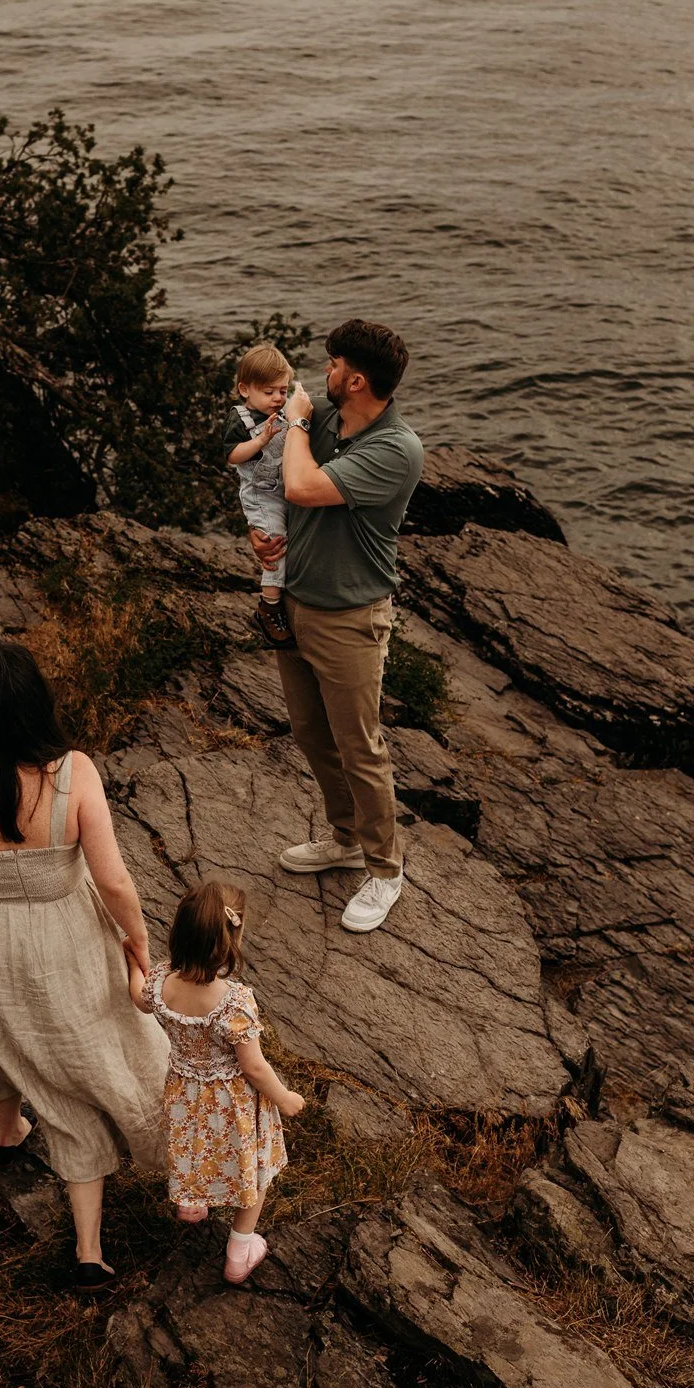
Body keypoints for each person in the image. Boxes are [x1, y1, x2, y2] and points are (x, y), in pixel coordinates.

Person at [0, 640, 169, 1290]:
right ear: (37, 708)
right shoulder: (72, 771)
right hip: (65, 937)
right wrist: (138, 945)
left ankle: (7, 1126)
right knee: (78, 1062)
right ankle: (87, 1248)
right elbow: (113, 882)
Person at [252, 319, 424, 935]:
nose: (320, 373)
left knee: (361, 746)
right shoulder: (325, 421)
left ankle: (385, 869)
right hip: (297, 601)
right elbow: (270, 479)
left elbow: (301, 485)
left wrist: (295, 422)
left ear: (354, 379)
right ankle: (346, 837)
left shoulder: (396, 447)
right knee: (310, 732)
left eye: (331, 365)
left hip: (350, 617)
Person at [128, 880, 304, 1284]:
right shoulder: (234, 1002)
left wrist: (131, 961)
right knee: (251, 1173)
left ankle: (192, 1204)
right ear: (232, 939)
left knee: (193, 1148)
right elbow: (255, 1067)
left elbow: (137, 996)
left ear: (179, 933)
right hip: (232, 1104)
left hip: (185, 1094)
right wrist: (285, 1097)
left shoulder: (160, 983)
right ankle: (239, 1253)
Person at [223, 342, 296, 649]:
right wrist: (261, 440)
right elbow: (233, 455)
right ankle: (269, 604)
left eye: (283, 390)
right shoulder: (240, 419)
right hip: (261, 496)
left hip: (285, 488)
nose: (278, 398)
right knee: (274, 542)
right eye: (269, 392)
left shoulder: (282, 411)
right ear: (245, 389)